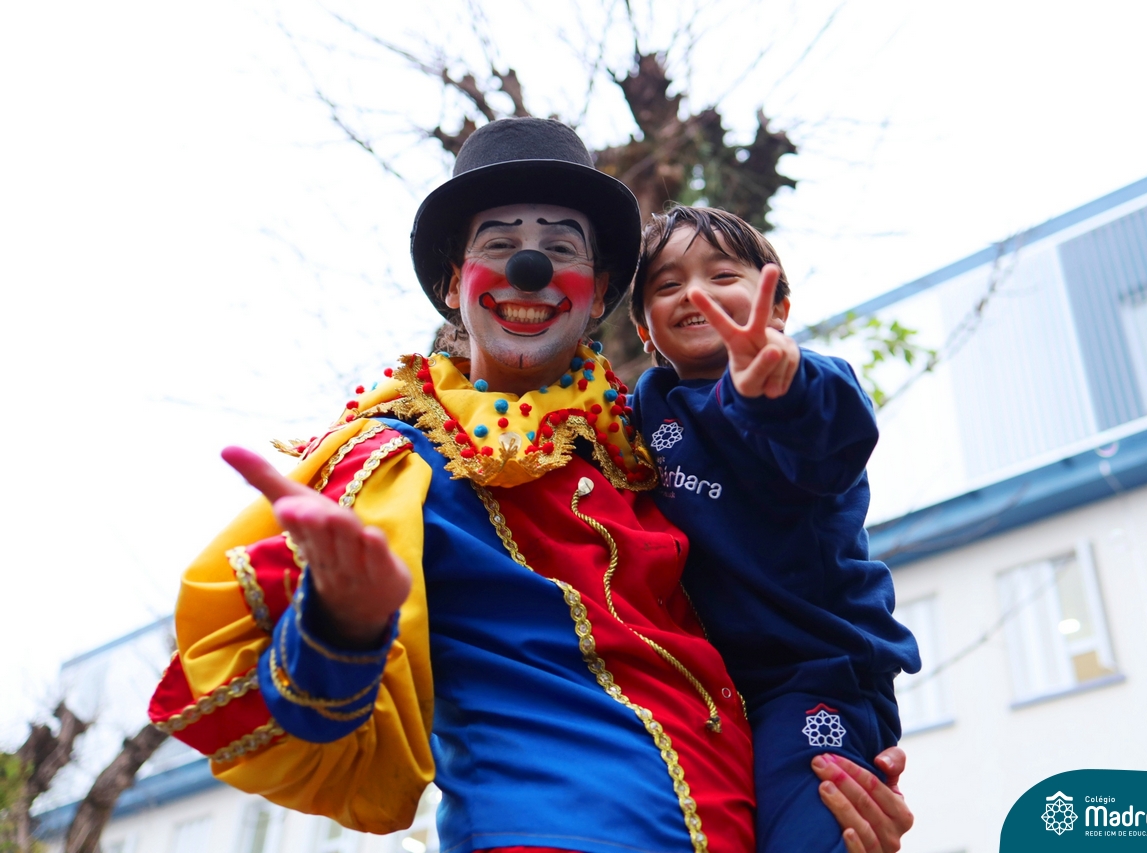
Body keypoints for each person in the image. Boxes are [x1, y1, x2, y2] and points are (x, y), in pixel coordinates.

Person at [148, 118, 913, 853]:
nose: (530, 268)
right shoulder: (396, 460)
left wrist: (835, 791)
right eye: (500, 245)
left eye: (559, 248)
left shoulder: (648, 444)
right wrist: (340, 626)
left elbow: (798, 523)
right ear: (455, 283)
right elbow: (296, 717)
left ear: (599, 292)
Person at [629, 206, 921, 853]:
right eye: (668, 284)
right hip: (704, 689)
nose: (696, 293)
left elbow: (834, 432)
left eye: (721, 276)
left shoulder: (796, 386)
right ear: (645, 330)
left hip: (815, 675)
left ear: (778, 308)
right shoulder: (645, 407)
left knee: (813, 828)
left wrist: (780, 383)